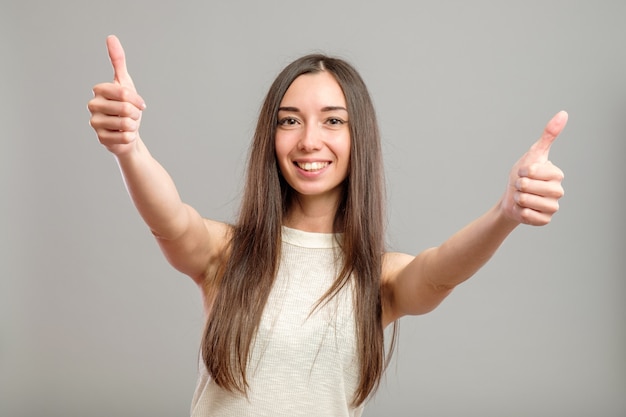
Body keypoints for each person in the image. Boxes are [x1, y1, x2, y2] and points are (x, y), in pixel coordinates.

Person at [88, 35, 567, 417]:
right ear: (270, 138)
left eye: (333, 121)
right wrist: (128, 148)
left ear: (359, 137)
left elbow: (441, 270)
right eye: (289, 121)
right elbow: (169, 219)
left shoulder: (379, 277)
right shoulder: (225, 252)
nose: (309, 140)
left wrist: (507, 212)